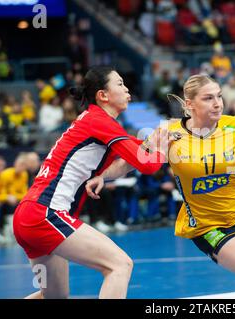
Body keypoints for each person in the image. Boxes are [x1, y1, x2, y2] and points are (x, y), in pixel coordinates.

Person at [87, 74, 235, 299]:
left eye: (219, 96)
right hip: (207, 224)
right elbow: (131, 161)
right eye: (208, 98)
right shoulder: (170, 132)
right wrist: (102, 176)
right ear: (189, 104)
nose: (217, 103)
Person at [12, 66, 169, 299]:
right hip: (46, 214)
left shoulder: (94, 122)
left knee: (54, 296)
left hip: (29, 217)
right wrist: (162, 150)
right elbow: (148, 164)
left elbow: (131, 158)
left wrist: (151, 145)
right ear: (102, 95)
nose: (127, 89)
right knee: (119, 265)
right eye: (120, 84)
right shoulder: (101, 122)